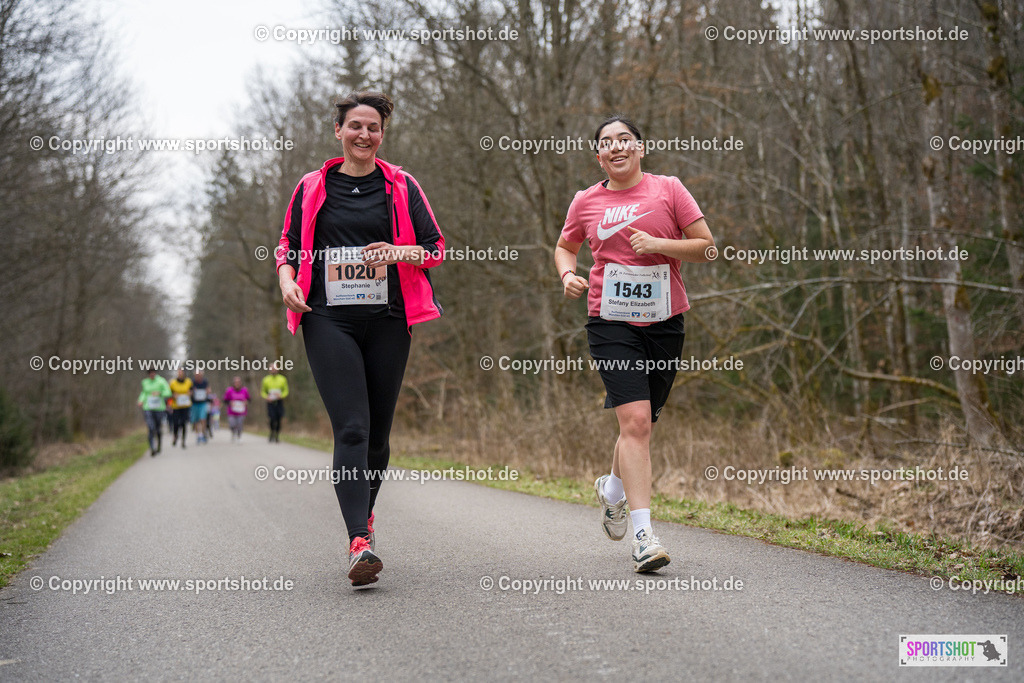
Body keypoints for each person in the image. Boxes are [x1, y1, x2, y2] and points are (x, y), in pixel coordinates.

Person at [276, 91, 444, 587]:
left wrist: (397, 252)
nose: (364, 134)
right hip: (328, 319)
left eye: (373, 127)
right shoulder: (311, 186)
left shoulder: (401, 185)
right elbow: (287, 245)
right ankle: (358, 542)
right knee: (351, 428)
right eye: (355, 126)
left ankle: (364, 519)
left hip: (389, 319)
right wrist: (286, 280)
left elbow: (435, 249)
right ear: (338, 131)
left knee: (377, 437)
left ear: (382, 135)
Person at [554, 115, 716, 572]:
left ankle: (612, 489)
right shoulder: (586, 201)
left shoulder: (669, 189)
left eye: (624, 139)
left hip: (665, 322)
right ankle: (645, 537)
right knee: (637, 422)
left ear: (640, 148)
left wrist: (659, 244)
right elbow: (565, 246)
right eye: (607, 142)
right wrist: (567, 274)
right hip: (610, 323)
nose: (616, 147)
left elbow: (707, 246)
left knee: (643, 424)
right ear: (599, 156)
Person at [138, 369, 172, 456]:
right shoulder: (145, 382)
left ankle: (159, 445)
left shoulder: (161, 381)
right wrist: (140, 400)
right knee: (151, 427)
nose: (152, 374)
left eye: (153, 373)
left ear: (155, 373)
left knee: (158, 428)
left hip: (159, 408)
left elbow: (168, 392)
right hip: (148, 407)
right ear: (148, 374)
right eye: (150, 373)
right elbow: (144, 393)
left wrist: (160, 393)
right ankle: (152, 448)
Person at [261, 362, 289, 442]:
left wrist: (281, 395)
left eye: (275, 368)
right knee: (272, 418)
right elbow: (263, 392)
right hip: (270, 402)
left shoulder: (282, 379)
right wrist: (266, 397)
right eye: (272, 369)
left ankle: (277, 434)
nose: (273, 370)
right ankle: (271, 432)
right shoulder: (266, 379)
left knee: (279, 418)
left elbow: (286, 391)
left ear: (277, 369)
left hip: (279, 402)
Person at [168, 369, 193, 450]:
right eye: (179, 373)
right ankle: (175, 436)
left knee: (184, 423)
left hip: (185, 405)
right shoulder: (173, 383)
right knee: (176, 423)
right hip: (176, 406)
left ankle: (183, 441)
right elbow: (169, 393)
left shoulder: (188, 381)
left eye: (182, 373)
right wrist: (173, 396)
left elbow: (192, 390)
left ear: (184, 374)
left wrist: (190, 393)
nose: (180, 374)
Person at [222, 377, 250, 442]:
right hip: (231, 411)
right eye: (235, 382)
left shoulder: (244, 390)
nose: (237, 384)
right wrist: (230, 402)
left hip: (241, 411)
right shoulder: (229, 390)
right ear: (233, 383)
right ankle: (233, 433)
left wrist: (246, 402)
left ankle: (239, 436)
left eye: (238, 382)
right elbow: (225, 400)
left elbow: (249, 399)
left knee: (240, 424)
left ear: (241, 383)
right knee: (232, 424)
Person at [190, 370, 211, 444]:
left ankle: (202, 434)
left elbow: (208, 389)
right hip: (194, 404)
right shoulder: (191, 382)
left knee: (203, 419)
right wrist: (191, 393)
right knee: (196, 420)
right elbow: (189, 391)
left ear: (202, 375)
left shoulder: (205, 381)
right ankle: (198, 435)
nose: (198, 376)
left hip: (203, 403)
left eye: (199, 375)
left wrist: (208, 391)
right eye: (196, 375)